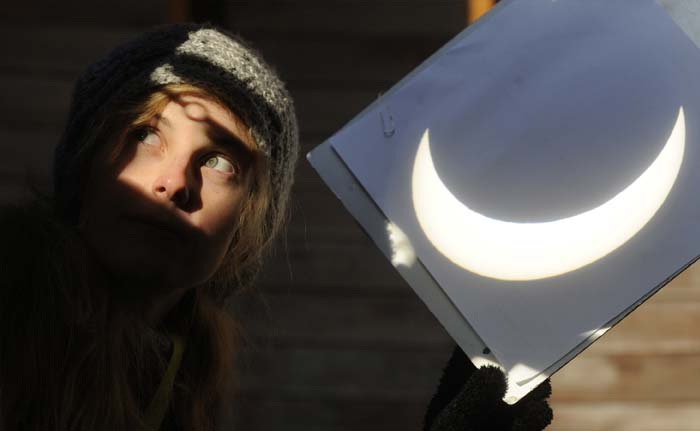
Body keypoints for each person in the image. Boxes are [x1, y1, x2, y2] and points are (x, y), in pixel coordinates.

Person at [0, 23, 298, 431]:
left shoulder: (188, 380)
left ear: (245, 232)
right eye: (145, 134)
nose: (174, 183)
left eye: (218, 163)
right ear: (85, 165)